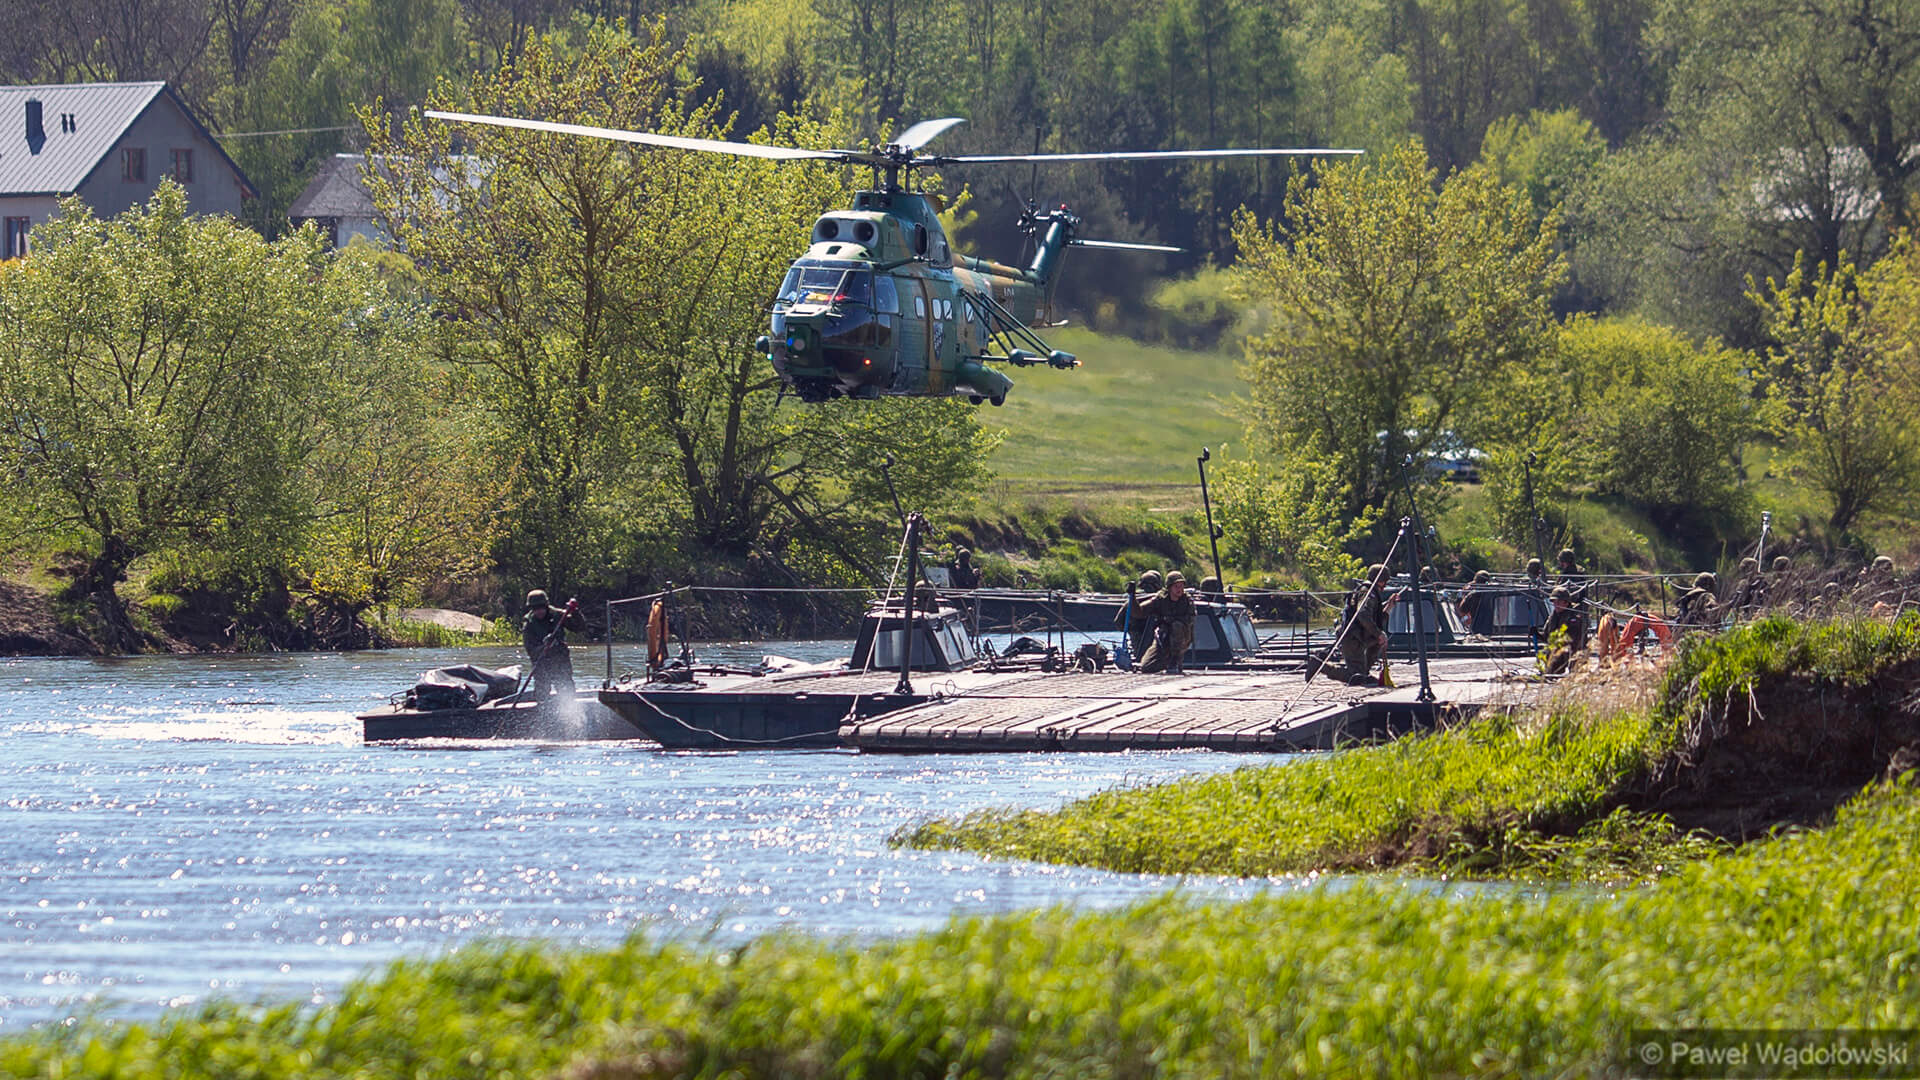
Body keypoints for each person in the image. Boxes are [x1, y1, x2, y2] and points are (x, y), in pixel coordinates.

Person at [1306, 563, 1393, 685]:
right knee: (1355, 677)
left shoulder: (1370, 592)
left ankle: (1364, 672)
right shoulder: (1367, 593)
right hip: (1352, 637)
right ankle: (1320, 666)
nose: (1385, 585)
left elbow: (1374, 619)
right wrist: (1379, 634)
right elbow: (1362, 614)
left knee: (1376, 644)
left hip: (1360, 637)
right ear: (1379, 580)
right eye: (1385, 581)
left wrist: (1389, 607)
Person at [522, 589, 587, 702]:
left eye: (541, 607)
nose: (539, 611)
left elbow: (579, 627)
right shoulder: (529, 625)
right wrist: (545, 646)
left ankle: (570, 715)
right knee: (541, 696)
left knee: (566, 692)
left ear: (546, 606)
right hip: (541, 664)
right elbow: (530, 651)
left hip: (560, 662)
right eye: (535, 609)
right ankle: (542, 715)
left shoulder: (558, 615)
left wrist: (575, 612)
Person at [1136, 571, 1197, 674]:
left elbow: (1190, 620)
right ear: (1169, 587)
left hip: (1181, 638)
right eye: (1176, 586)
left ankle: (1175, 660)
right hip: (1163, 637)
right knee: (1146, 667)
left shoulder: (1187, 601)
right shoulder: (1160, 599)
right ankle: (1166, 661)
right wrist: (1132, 597)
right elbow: (1140, 612)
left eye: (1181, 586)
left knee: (1176, 625)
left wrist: (1170, 620)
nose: (1180, 589)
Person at [1114, 569, 1162, 661]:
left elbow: (1118, 623)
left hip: (1136, 644)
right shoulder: (1158, 600)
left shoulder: (1131, 600)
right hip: (1156, 644)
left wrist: (1132, 629)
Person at [1541, 586, 1590, 674]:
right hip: (1558, 654)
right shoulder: (1553, 617)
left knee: (1576, 674)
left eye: (1559, 602)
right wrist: (1536, 634)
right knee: (1550, 671)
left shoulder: (1574, 617)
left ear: (1566, 603)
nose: (1556, 605)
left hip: (1573, 653)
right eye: (1554, 602)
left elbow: (1572, 640)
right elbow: (1546, 636)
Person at [1457, 569, 1498, 636]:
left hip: (1478, 628)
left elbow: (1463, 609)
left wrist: (1464, 596)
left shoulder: (1473, 594)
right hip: (1494, 628)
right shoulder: (1495, 592)